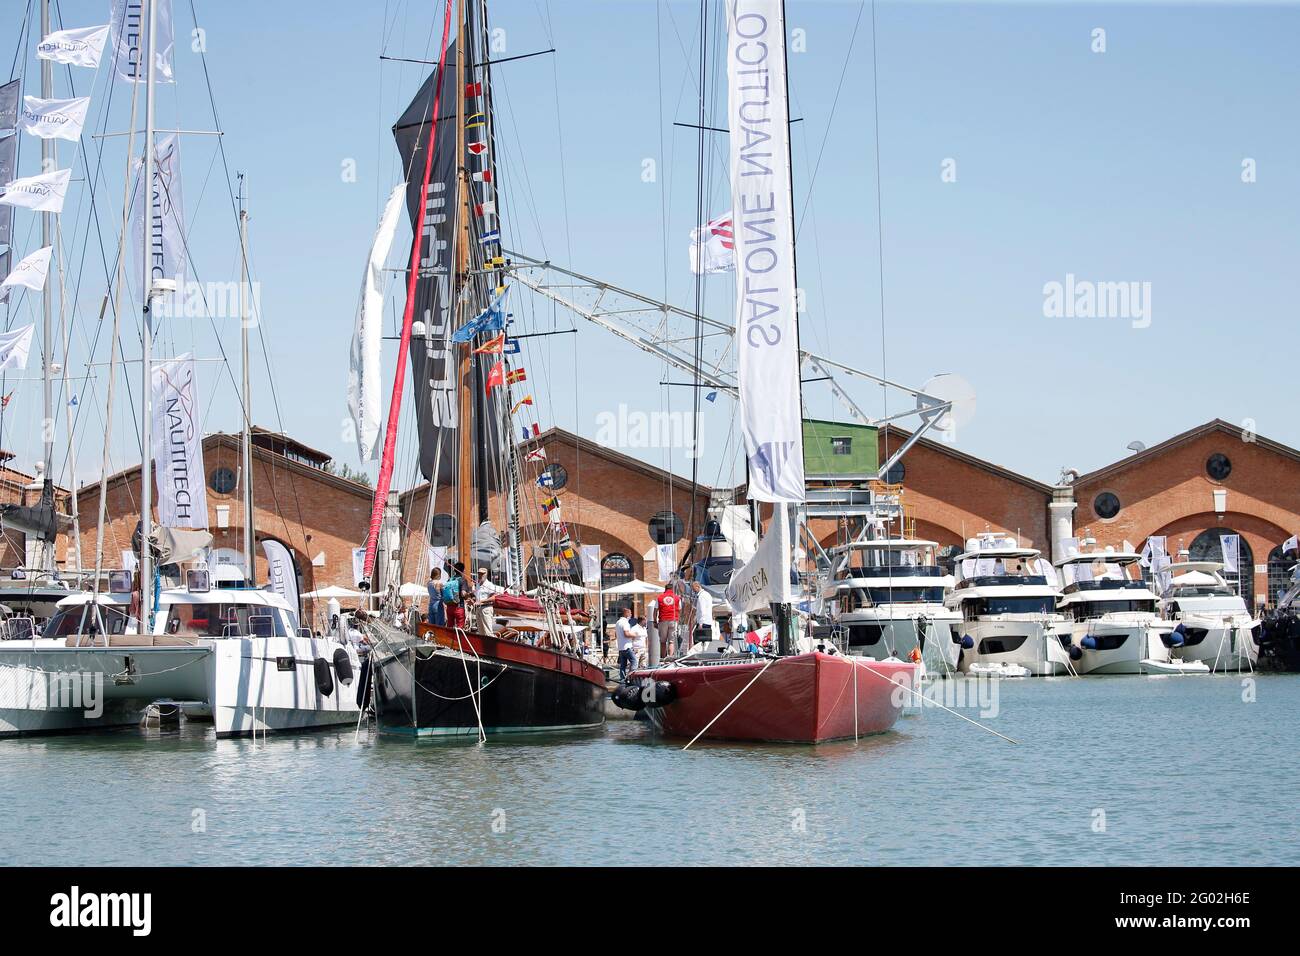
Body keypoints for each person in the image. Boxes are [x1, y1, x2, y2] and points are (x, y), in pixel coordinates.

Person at [655, 582, 681, 657]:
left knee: (663, 641)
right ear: (672, 589)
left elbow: (655, 610)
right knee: (671, 641)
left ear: (665, 589)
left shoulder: (660, 597)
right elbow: (680, 609)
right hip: (673, 620)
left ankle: (663, 657)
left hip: (663, 620)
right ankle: (670, 657)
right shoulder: (677, 598)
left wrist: (654, 621)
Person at [442, 562, 468, 630]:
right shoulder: (463, 580)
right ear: (463, 570)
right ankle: (458, 640)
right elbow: (463, 593)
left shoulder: (449, 580)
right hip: (458, 607)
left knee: (450, 627)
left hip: (449, 607)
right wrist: (468, 596)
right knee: (460, 628)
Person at [690, 580, 716, 645]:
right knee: (706, 641)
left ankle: (700, 653)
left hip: (703, 622)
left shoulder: (702, 596)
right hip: (707, 621)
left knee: (698, 641)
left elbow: (702, 610)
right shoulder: (707, 594)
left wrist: (701, 624)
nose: (693, 590)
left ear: (697, 586)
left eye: (693, 588)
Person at [473, 567, 497, 635]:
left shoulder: (489, 585)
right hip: (478, 609)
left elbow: (493, 598)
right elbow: (477, 597)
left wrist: (481, 601)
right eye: (479, 574)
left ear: (486, 574)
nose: (480, 575)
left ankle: (491, 645)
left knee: (488, 632)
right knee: (481, 632)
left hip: (486, 608)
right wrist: (472, 600)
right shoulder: (478, 585)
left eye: (482, 574)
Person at [615, 607, 636, 679]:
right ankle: (631, 677)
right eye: (630, 613)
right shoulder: (625, 622)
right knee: (634, 661)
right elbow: (626, 634)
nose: (631, 614)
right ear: (626, 613)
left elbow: (616, 635)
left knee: (623, 666)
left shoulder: (618, 622)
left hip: (620, 647)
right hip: (627, 646)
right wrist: (634, 635)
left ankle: (622, 680)